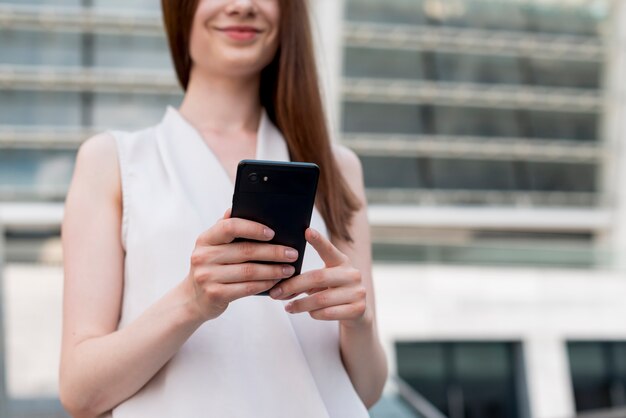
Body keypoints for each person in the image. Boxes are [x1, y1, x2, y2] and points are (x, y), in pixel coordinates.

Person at [59, 0, 388, 416]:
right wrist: (191, 302)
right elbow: (79, 391)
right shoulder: (114, 162)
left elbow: (368, 389)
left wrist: (358, 323)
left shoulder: (336, 167)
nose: (243, 5)